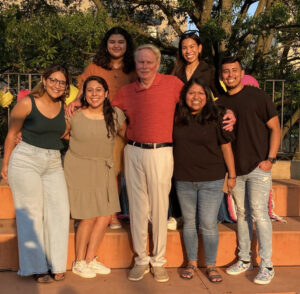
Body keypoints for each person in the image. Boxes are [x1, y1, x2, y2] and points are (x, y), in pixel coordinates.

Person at [112, 44, 236, 283]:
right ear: (135, 65)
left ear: (158, 64)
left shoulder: (172, 84)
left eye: (149, 62)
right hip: (134, 151)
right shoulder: (127, 91)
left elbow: (199, 98)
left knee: (159, 208)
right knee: (137, 209)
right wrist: (77, 104)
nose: (145, 66)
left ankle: (157, 261)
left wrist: (230, 111)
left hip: (162, 152)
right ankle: (140, 260)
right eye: (141, 62)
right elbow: (107, 111)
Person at [1, 65, 70, 283]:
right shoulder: (26, 103)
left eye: (62, 82)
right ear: (44, 79)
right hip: (25, 160)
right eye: (53, 80)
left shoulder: (63, 106)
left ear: (66, 86)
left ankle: (57, 264)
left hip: (53, 161)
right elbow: (12, 134)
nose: (57, 85)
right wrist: (5, 164)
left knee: (59, 211)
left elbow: (64, 133)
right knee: (31, 215)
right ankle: (37, 267)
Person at [218, 56, 281, 285]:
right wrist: (230, 172)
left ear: (241, 72)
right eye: (226, 71)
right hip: (237, 170)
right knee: (242, 215)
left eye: (234, 70)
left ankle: (266, 264)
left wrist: (270, 159)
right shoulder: (220, 102)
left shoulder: (257, 95)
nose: (230, 75)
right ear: (221, 75)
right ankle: (245, 259)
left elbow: (275, 128)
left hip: (258, 167)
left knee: (260, 215)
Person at [67, 26, 136, 229]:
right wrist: (75, 102)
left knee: (124, 173)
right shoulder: (95, 67)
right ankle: (109, 214)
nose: (116, 45)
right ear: (106, 45)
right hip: (101, 124)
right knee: (107, 172)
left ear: (127, 45)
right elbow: (83, 90)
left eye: (121, 42)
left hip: (126, 125)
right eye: (112, 42)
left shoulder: (133, 68)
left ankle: (128, 213)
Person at [173, 78, 236, 283]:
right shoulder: (176, 117)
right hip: (184, 179)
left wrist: (232, 175)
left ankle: (210, 265)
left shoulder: (216, 117)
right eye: (191, 93)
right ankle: (191, 262)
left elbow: (226, 148)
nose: (196, 97)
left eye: (200, 93)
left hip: (212, 179)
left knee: (208, 223)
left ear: (207, 97)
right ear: (184, 96)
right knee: (190, 223)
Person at [63, 75, 126, 278]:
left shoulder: (115, 115)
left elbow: (128, 134)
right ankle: (79, 261)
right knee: (88, 216)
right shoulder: (75, 115)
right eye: (90, 90)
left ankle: (90, 259)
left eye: (99, 90)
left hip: (104, 168)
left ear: (106, 93)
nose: (94, 94)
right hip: (79, 167)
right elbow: (60, 134)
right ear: (84, 94)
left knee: (105, 215)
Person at [172, 31, 222, 97]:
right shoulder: (175, 71)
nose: (188, 51)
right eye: (184, 48)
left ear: (199, 48)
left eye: (192, 47)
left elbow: (219, 95)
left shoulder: (210, 71)